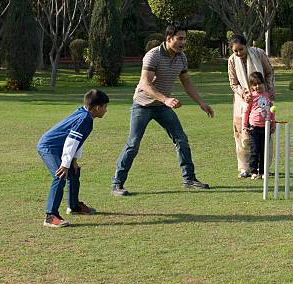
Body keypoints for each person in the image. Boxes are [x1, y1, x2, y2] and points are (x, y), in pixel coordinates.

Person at [110, 24, 215, 196]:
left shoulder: (181, 58)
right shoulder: (153, 55)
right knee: (133, 144)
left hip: (161, 107)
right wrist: (166, 99)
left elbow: (186, 82)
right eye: (179, 38)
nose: (183, 42)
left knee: (181, 139)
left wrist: (201, 102)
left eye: (184, 38)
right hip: (142, 105)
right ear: (168, 38)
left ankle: (189, 179)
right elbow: (145, 83)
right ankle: (117, 184)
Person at [37, 89, 109, 228]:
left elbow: (78, 141)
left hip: (60, 147)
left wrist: (74, 161)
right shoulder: (84, 118)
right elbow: (72, 141)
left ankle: (74, 206)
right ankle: (50, 216)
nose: (106, 110)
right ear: (97, 107)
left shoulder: (85, 115)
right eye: (105, 107)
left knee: (74, 171)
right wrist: (65, 164)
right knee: (60, 175)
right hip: (49, 147)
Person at [227, 34, 275, 179]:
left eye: (241, 49)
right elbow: (233, 83)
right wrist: (243, 93)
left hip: (262, 98)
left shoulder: (259, 54)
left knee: (264, 134)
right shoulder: (231, 60)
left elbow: (269, 73)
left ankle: (264, 168)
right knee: (243, 134)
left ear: (246, 46)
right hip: (243, 101)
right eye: (235, 51)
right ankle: (244, 168)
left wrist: (269, 90)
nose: (238, 53)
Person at [242, 72, 276, 180]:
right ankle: (253, 171)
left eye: (259, 84)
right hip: (254, 128)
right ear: (251, 86)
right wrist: (244, 126)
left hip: (266, 127)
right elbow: (246, 112)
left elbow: (272, 111)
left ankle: (262, 171)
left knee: (263, 151)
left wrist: (273, 123)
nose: (258, 86)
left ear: (263, 83)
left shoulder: (267, 96)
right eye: (255, 85)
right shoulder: (251, 97)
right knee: (255, 150)